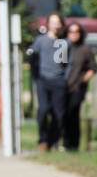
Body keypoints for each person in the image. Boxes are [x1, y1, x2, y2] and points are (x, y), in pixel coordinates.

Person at [28, 12, 68, 151]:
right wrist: (36, 76)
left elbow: (65, 63)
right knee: (43, 110)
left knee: (58, 114)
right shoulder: (40, 41)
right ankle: (43, 140)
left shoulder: (63, 42)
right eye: (53, 22)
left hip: (59, 81)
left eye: (58, 22)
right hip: (43, 80)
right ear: (48, 24)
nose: (56, 25)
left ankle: (54, 141)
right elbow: (33, 58)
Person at [63, 21, 97, 151]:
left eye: (76, 31)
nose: (73, 34)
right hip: (63, 87)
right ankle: (63, 142)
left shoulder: (84, 49)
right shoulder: (63, 47)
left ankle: (73, 144)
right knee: (63, 115)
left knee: (73, 114)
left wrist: (83, 79)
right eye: (71, 31)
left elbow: (93, 67)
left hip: (77, 88)